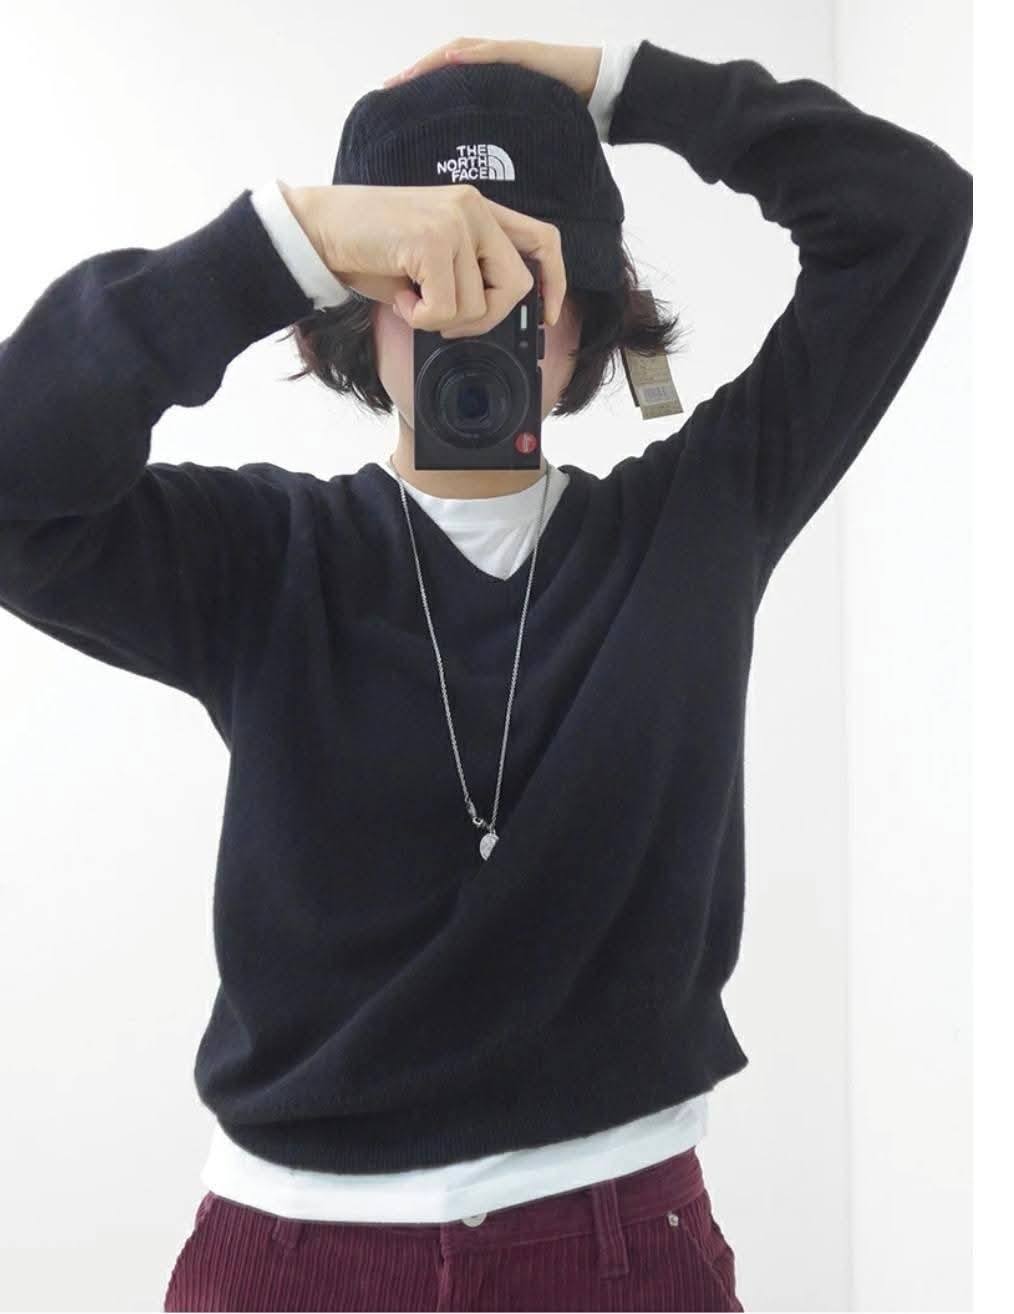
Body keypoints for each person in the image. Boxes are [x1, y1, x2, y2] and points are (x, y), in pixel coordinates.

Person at [0, 35, 971, 1314]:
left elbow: (910, 211)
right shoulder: (263, 559)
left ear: (589, 313)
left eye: (520, 276)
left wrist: (620, 82)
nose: (465, 315)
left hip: (621, 1250)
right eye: (419, 275)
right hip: (291, 1262)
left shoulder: (697, 523)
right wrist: (283, 239)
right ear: (356, 300)